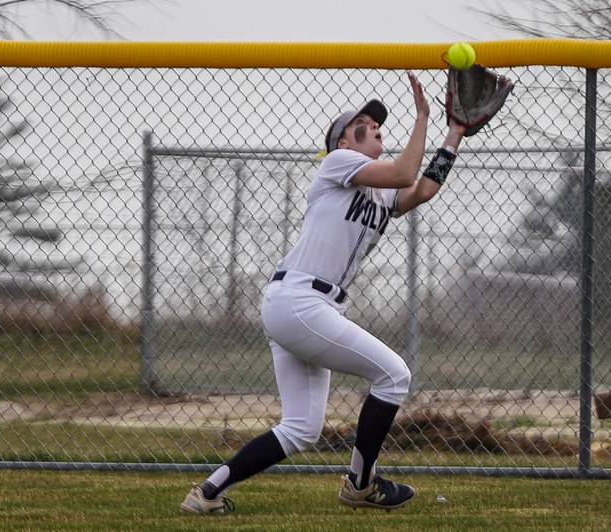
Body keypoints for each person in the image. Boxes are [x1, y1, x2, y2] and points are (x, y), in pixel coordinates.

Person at [181, 71, 467, 514]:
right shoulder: (335, 164)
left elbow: (423, 187)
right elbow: (406, 170)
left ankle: (207, 494)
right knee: (394, 376)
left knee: (300, 428)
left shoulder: (379, 194)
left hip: (300, 306)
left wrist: (454, 133)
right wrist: (424, 116)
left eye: (376, 126)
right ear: (343, 144)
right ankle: (360, 483)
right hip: (301, 302)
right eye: (363, 127)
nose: (374, 129)